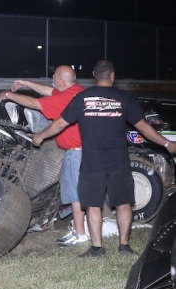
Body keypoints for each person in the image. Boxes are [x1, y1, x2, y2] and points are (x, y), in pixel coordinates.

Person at [33, 60, 176, 257]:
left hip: (91, 161)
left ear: (93, 74)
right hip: (118, 161)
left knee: (93, 204)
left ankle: (97, 248)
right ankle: (124, 246)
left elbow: (59, 124)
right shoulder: (123, 98)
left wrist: (40, 136)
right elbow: (144, 127)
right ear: (112, 76)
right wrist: (167, 144)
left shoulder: (82, 98)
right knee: (124, 203)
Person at [0, 65, 87, 247]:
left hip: (75, 153)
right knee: (78, 193)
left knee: (76, 195)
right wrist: (25, 83)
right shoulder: (76, 91)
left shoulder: (64, 98)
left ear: (61, 80)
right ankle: (81, 229)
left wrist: (8, 95)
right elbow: (49, 91)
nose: (52, 78)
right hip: (84, 151)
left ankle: (81, 234)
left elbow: (35, 104)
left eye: (54, 76)